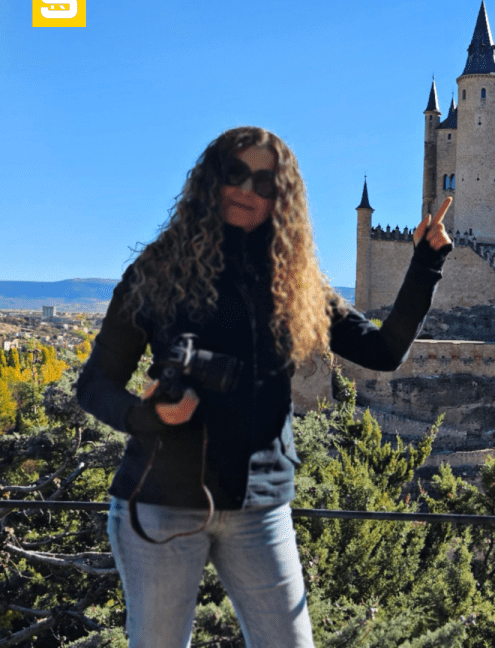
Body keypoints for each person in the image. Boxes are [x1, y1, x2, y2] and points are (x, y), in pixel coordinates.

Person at [76, 126, 452, 647]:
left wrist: (426, 263)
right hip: (162, 502)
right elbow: (94, 385)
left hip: (260, 507)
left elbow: (384, 352)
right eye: (235, 174)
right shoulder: (158, 272)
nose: (248, 189)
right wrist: (145, 417)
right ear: (212, 179)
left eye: (265, 182)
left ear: (282, 199)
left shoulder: (295, 283)